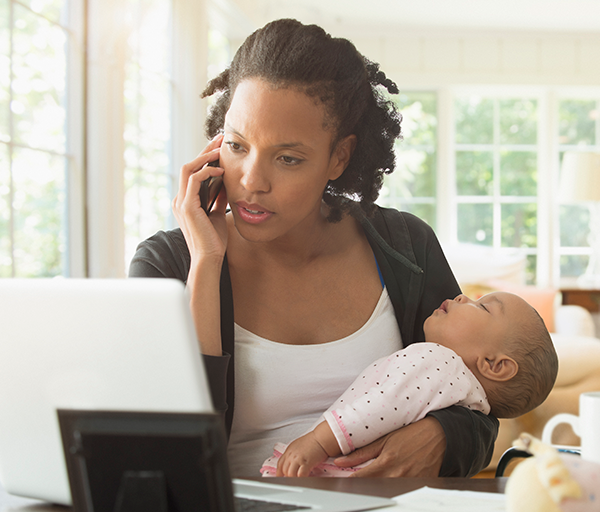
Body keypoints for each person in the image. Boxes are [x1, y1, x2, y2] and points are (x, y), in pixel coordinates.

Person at [129, 18, 499, 478]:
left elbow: (482, 406)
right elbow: (165, 449)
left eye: (288, 158)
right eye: (238, 146)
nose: (252, 181)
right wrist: (205, 262)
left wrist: (442, 438)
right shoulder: (168, 264)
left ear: (338, 157)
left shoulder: (407, 247)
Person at [262, 291, 559, 477]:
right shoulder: (467, 398)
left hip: (331, 472)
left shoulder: (438, 361)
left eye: (482, 307)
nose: (461, 297)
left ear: (495, 365)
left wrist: (316, 441)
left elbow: (377, 407)